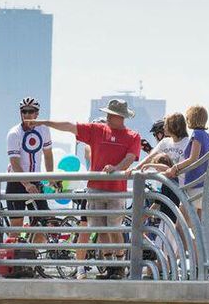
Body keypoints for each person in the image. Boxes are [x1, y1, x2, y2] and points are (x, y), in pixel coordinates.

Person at [34, 98, 141, 280]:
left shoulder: (133, 136)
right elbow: (69, 126)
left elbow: (131, 158)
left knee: (114, 228)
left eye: (110, 114)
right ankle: (109, 267)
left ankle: (120, 265)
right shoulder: (97, 130)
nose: (107, 116)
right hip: (95, 188)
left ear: (120, 117)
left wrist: (116, 168)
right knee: (100, 229)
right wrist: (45, 122)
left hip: (116, 190)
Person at [4, 98, 55, 242]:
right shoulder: (14, 133)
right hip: (16, 182)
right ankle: (13, 262)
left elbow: (48, 154)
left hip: (35, 180)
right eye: (23, 111)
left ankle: (33, 260)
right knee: (16, 225)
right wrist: (26, 184)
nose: (26, 114)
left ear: (37, 114)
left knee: (42, 222)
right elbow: (14, 162)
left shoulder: (44, 129)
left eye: (30, 111)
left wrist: (51, 177)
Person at [135, 113, 190, 178]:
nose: (164, 128)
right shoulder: (165, 142)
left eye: (166, 125)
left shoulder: (189, 143)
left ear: (173, 126)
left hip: (184, 183)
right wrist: (135, 169)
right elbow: (150, 157)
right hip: (169, 182)